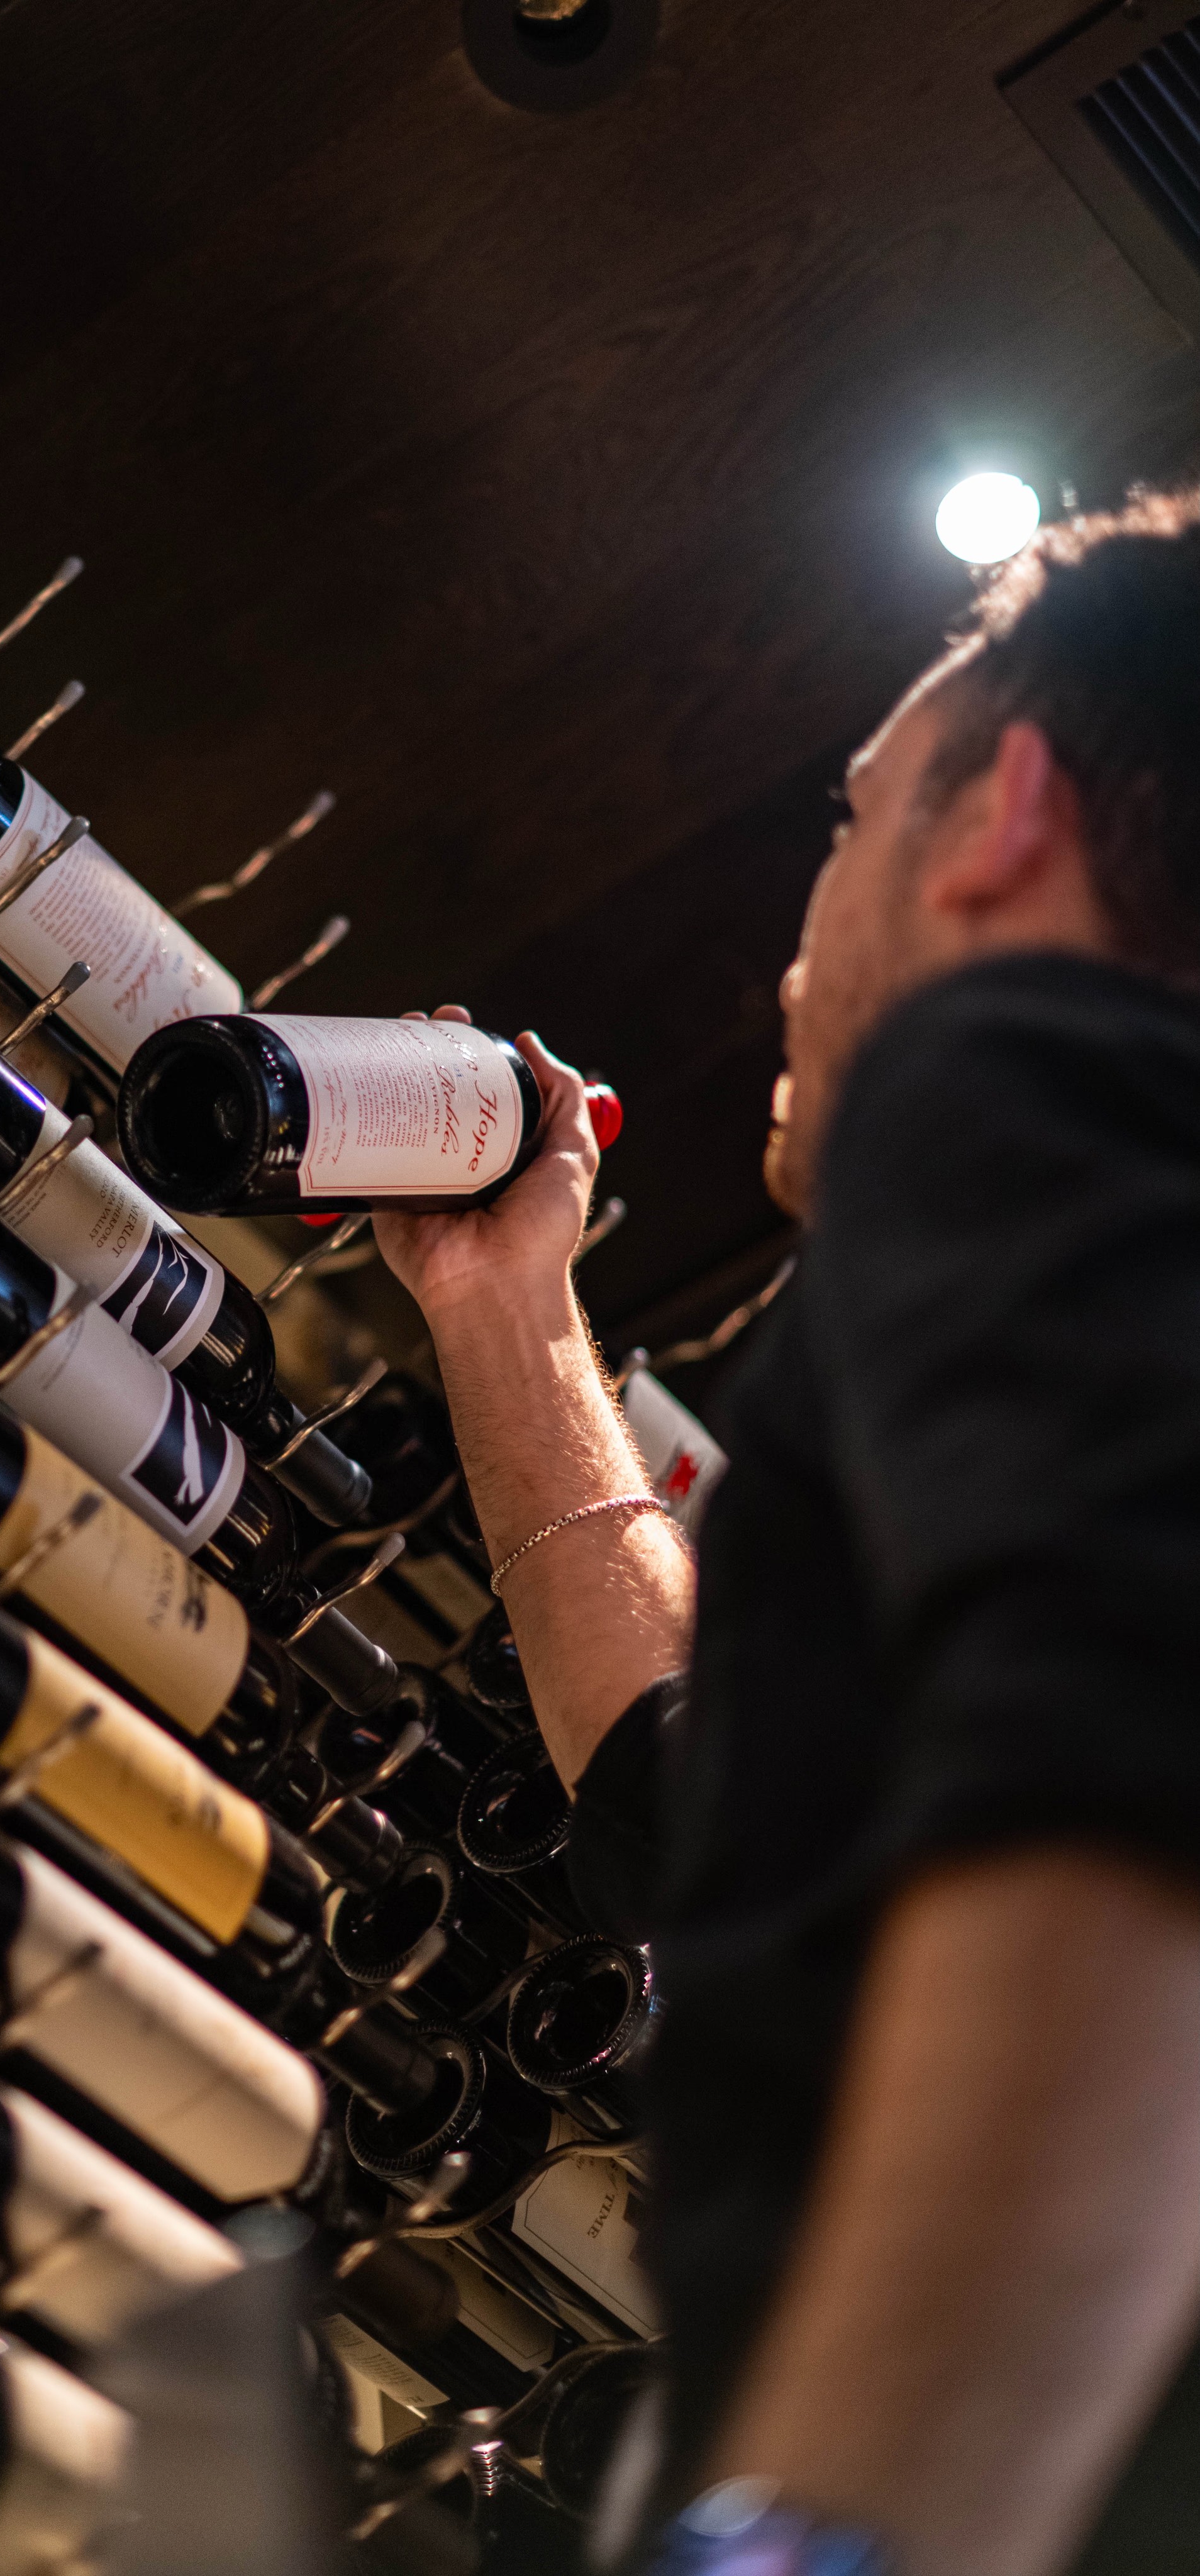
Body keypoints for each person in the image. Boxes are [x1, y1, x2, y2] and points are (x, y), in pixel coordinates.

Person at [373, 491, 1200, 2576]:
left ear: (999, 816)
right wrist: (505, 1305)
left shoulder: (1013, 1063)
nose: (806, 921)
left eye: (845, 823)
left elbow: (1130, 1822)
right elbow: (694, 1805)